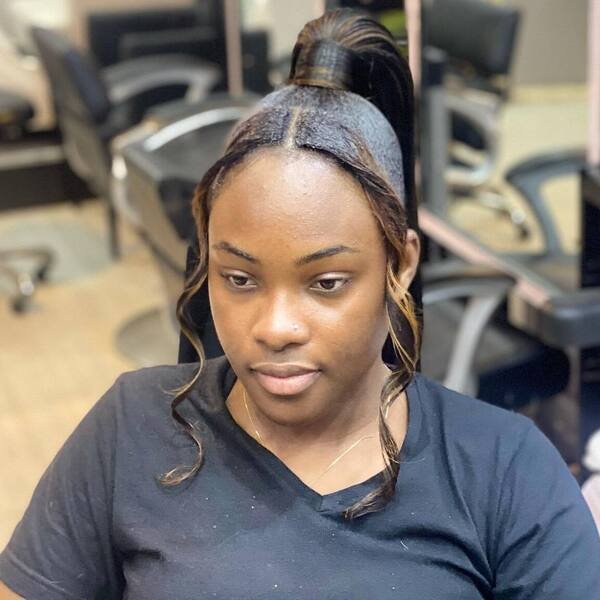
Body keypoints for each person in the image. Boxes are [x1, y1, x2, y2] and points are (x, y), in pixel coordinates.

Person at [1, 9, 599, 600]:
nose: (275, 328)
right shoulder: (129, 429)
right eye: (238, 278)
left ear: (401, 262)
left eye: (327, 282)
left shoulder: (504, 470)